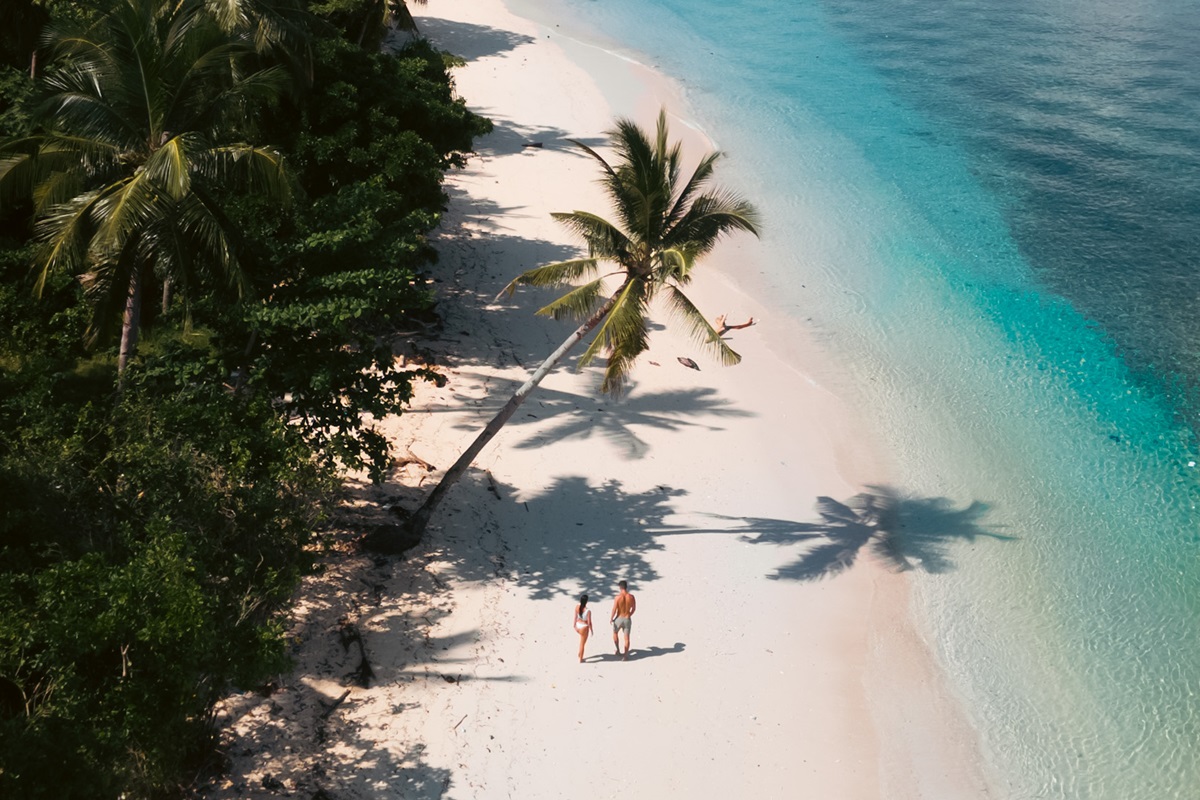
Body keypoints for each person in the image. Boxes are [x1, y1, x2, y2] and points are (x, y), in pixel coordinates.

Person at [610, 580, 636, 660]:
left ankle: (618, 650)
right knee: (627, 638)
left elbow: (614, 609)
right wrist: (629, 615)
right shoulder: (631, 597)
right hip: (627, 618)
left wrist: (611, 618)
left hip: (619, 618)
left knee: (615, 633)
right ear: (626, 587)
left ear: (620, 587)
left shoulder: (617, 597)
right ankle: (625, 656)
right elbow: (634, 609)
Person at [573, 593, 593, 663]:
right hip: (584, 627)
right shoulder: (588, 611)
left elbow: (575, 617)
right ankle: (581, 658)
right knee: (582, 643)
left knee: (582, 642)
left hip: (578, 625)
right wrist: (591, 630)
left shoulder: (577, 607)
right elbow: (589, 622)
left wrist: (574, 625)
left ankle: (579, 653)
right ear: (586, 601)